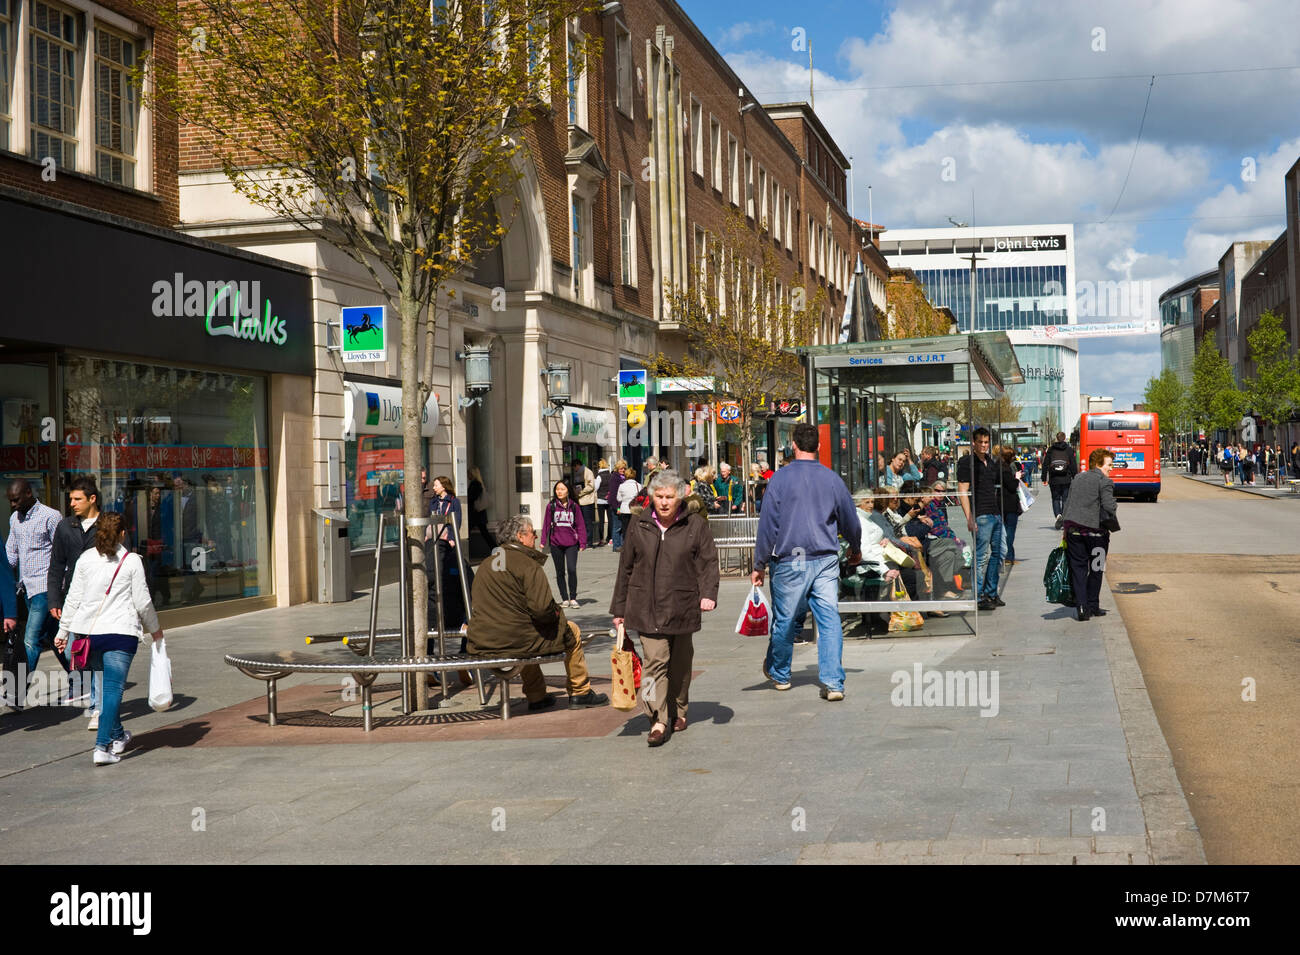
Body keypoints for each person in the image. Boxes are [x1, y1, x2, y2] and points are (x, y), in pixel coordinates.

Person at [751, 422, 862, 701]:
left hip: (792, 558)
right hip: (825, 558)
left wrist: (759, 564)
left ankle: (780, 673)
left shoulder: (779, 479)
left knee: (785, 620)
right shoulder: (832, 479)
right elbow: (850, 519)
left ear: (793, 445)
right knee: (829, 619)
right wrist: (855, 548)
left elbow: (768, 525)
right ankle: (833, 682)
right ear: (819, 447)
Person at [610, 469, 719, 746]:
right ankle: (656, 718)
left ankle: (679, 709)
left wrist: (708, 594)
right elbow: (625, 568)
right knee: (653, 664)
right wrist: (619, 610)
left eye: (670, 496)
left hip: (682, 604)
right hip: (645, 606)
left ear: (680, 497)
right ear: (651, 497)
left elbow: (708, 562)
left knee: (681, 666)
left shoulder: (694, 524)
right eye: (659, 496)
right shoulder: (639, 524)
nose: (664, 502)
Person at [52, 513, 164, 765]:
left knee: (106, 689)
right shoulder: (132, 561)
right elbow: (143, 601)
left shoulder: (85, 559)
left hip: (89, 635)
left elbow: (72, 599)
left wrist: (62, 632)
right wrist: (155, 629)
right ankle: (102, 747)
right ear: (123, 534)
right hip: (120, 634)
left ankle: (117, 734)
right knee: (113, 691)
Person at [466, 514, 607, 711]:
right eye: (532, 533)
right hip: (515, 639)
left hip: (486, 639)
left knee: (524, 631)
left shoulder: (486, 564)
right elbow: (542, 610)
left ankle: (536, 694)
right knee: (572, 631)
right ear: (520, 536)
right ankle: (580, 691)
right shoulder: (527, 564)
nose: (535, 537)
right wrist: (558, 615)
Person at [6, 479, 66, 708]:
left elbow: (61, 555)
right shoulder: (15, 519)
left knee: (30, 640)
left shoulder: (51, 516)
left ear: (29, 494)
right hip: (27, 588)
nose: (12, 505)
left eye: (16, 499)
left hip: (45, 588)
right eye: (10, 500)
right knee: (53, 638)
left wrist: (58, 591)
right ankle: (83, 680)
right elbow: (11, 554)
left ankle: (15, 694)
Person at [48, 476, 103, 722]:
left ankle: (97, 702)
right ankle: (90, 691)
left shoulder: (107, 525)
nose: (72, 503)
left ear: (92, 499)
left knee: (97, 651)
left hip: (102, 598)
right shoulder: (65, 527)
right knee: (72, 650)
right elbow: (56, 565)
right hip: (74, 597)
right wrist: (54, 600)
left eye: (77, 499)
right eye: (70, 499)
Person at [1061, 448, 1118, 622]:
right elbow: (1109, 507)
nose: (1111, 468)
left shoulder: (1078, 478)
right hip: (1097, 536)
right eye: (1109, 464)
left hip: (1074, 532)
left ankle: (1082, 607)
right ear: (1099, 464)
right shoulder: (1105, 481)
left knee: (1078, 569)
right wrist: (1114, 504)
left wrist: (1064, 529)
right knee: (1096, 568)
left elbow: (1068, 504)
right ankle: (1093, 604)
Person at [956, 427, 1004, 612]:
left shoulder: (990, 462)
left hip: (995, 513)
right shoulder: (967, 463)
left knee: (998, 554)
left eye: (986, 442)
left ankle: (990, 592)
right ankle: (977, 596)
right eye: (981, 442)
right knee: (981, 556)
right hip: (981, 515)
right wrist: (969, 517)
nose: (984, 445)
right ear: (974, 443)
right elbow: (963, 491)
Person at [428, 475, 471, 635]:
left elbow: (456, 521)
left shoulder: (453, 502)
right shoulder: (433, 502)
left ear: (444, 486)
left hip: (447, 540)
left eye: (436, 485)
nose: (434, 488)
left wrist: (452, 538)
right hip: (433, 540)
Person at [540, 479, 587, 609]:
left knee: (572, 569)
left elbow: (580, 525)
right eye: (557, 489)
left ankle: (573, 597)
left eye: (562, 489)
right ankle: (564, 598)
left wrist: (582, 542)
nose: (559, 492)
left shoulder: (574, 506)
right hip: (556, 543)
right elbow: (545, 525)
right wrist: (543, 541)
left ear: (568, 491)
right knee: (560, 572)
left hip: (571, 543)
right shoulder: (551, 506)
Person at [1044, 432, 1077, 529]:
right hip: (1066, 478)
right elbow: (1073, 464)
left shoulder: (1051, 449)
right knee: (1065, 499)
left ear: (1057, 438)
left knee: (1055, 498)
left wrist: (1043, 478)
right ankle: (1064, 517)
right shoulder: (1069, 449)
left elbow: (1046, 463)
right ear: (1064, 438)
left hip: (1054, 479)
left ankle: (1058, 515)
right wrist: (1075, 476)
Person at [1000, 447, 1024, 565]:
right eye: (1013, 456)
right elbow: (1011, 486)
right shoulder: (1005, 469)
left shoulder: (998, 466)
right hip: (1009, 504)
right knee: (1009, 531)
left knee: (1005, 531)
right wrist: (1017, 478)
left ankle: (1008, 556)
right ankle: (1008, 557)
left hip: (1002, 503)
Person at [465, 466, 494, 546]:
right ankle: (494, 548)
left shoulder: (475, 484)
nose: (467, 475)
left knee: (466, 531)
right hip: (478, 513)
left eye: (469, 473)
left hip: (476, 513)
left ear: (472, 474)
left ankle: (461, 548)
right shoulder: (477, 483)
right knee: (484, 533)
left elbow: (472, 497)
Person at [569, 459, 597, 542]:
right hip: (579, 501)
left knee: (587, 522)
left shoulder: (588, 472)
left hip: (587, 501)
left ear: (578, 465)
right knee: (581, 522)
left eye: (575, 467)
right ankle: (583, 539)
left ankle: (589, 541)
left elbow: (591, 486)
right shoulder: (577, 474)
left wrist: (580, 493)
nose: (574, 469)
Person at [616, 465, 641, 543]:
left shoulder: (622, 486)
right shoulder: (639, 485)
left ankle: (626, 544)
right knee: (635, 528)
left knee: (625, 529)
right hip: (635, 510)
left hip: (624, 509)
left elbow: (618, 499)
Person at [606, 460, 628, 550]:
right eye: (621, 468)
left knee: (621, 526)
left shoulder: (623, 477)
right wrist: (617, 507)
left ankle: (621, 544)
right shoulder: (615, 478)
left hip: (622, 505)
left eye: (624, 468)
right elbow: (613, 494)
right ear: (617, 468)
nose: (623, 470)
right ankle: (616, 546)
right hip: (616, 505)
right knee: (617, 526)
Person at [593, 459, 611, 546]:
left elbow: (595, 488)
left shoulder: (599, 476)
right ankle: (609, 537)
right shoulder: (610, 475)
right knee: (610, 520)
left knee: (601, 521)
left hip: (600, 500)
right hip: (609, 500)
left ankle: (601, 539)